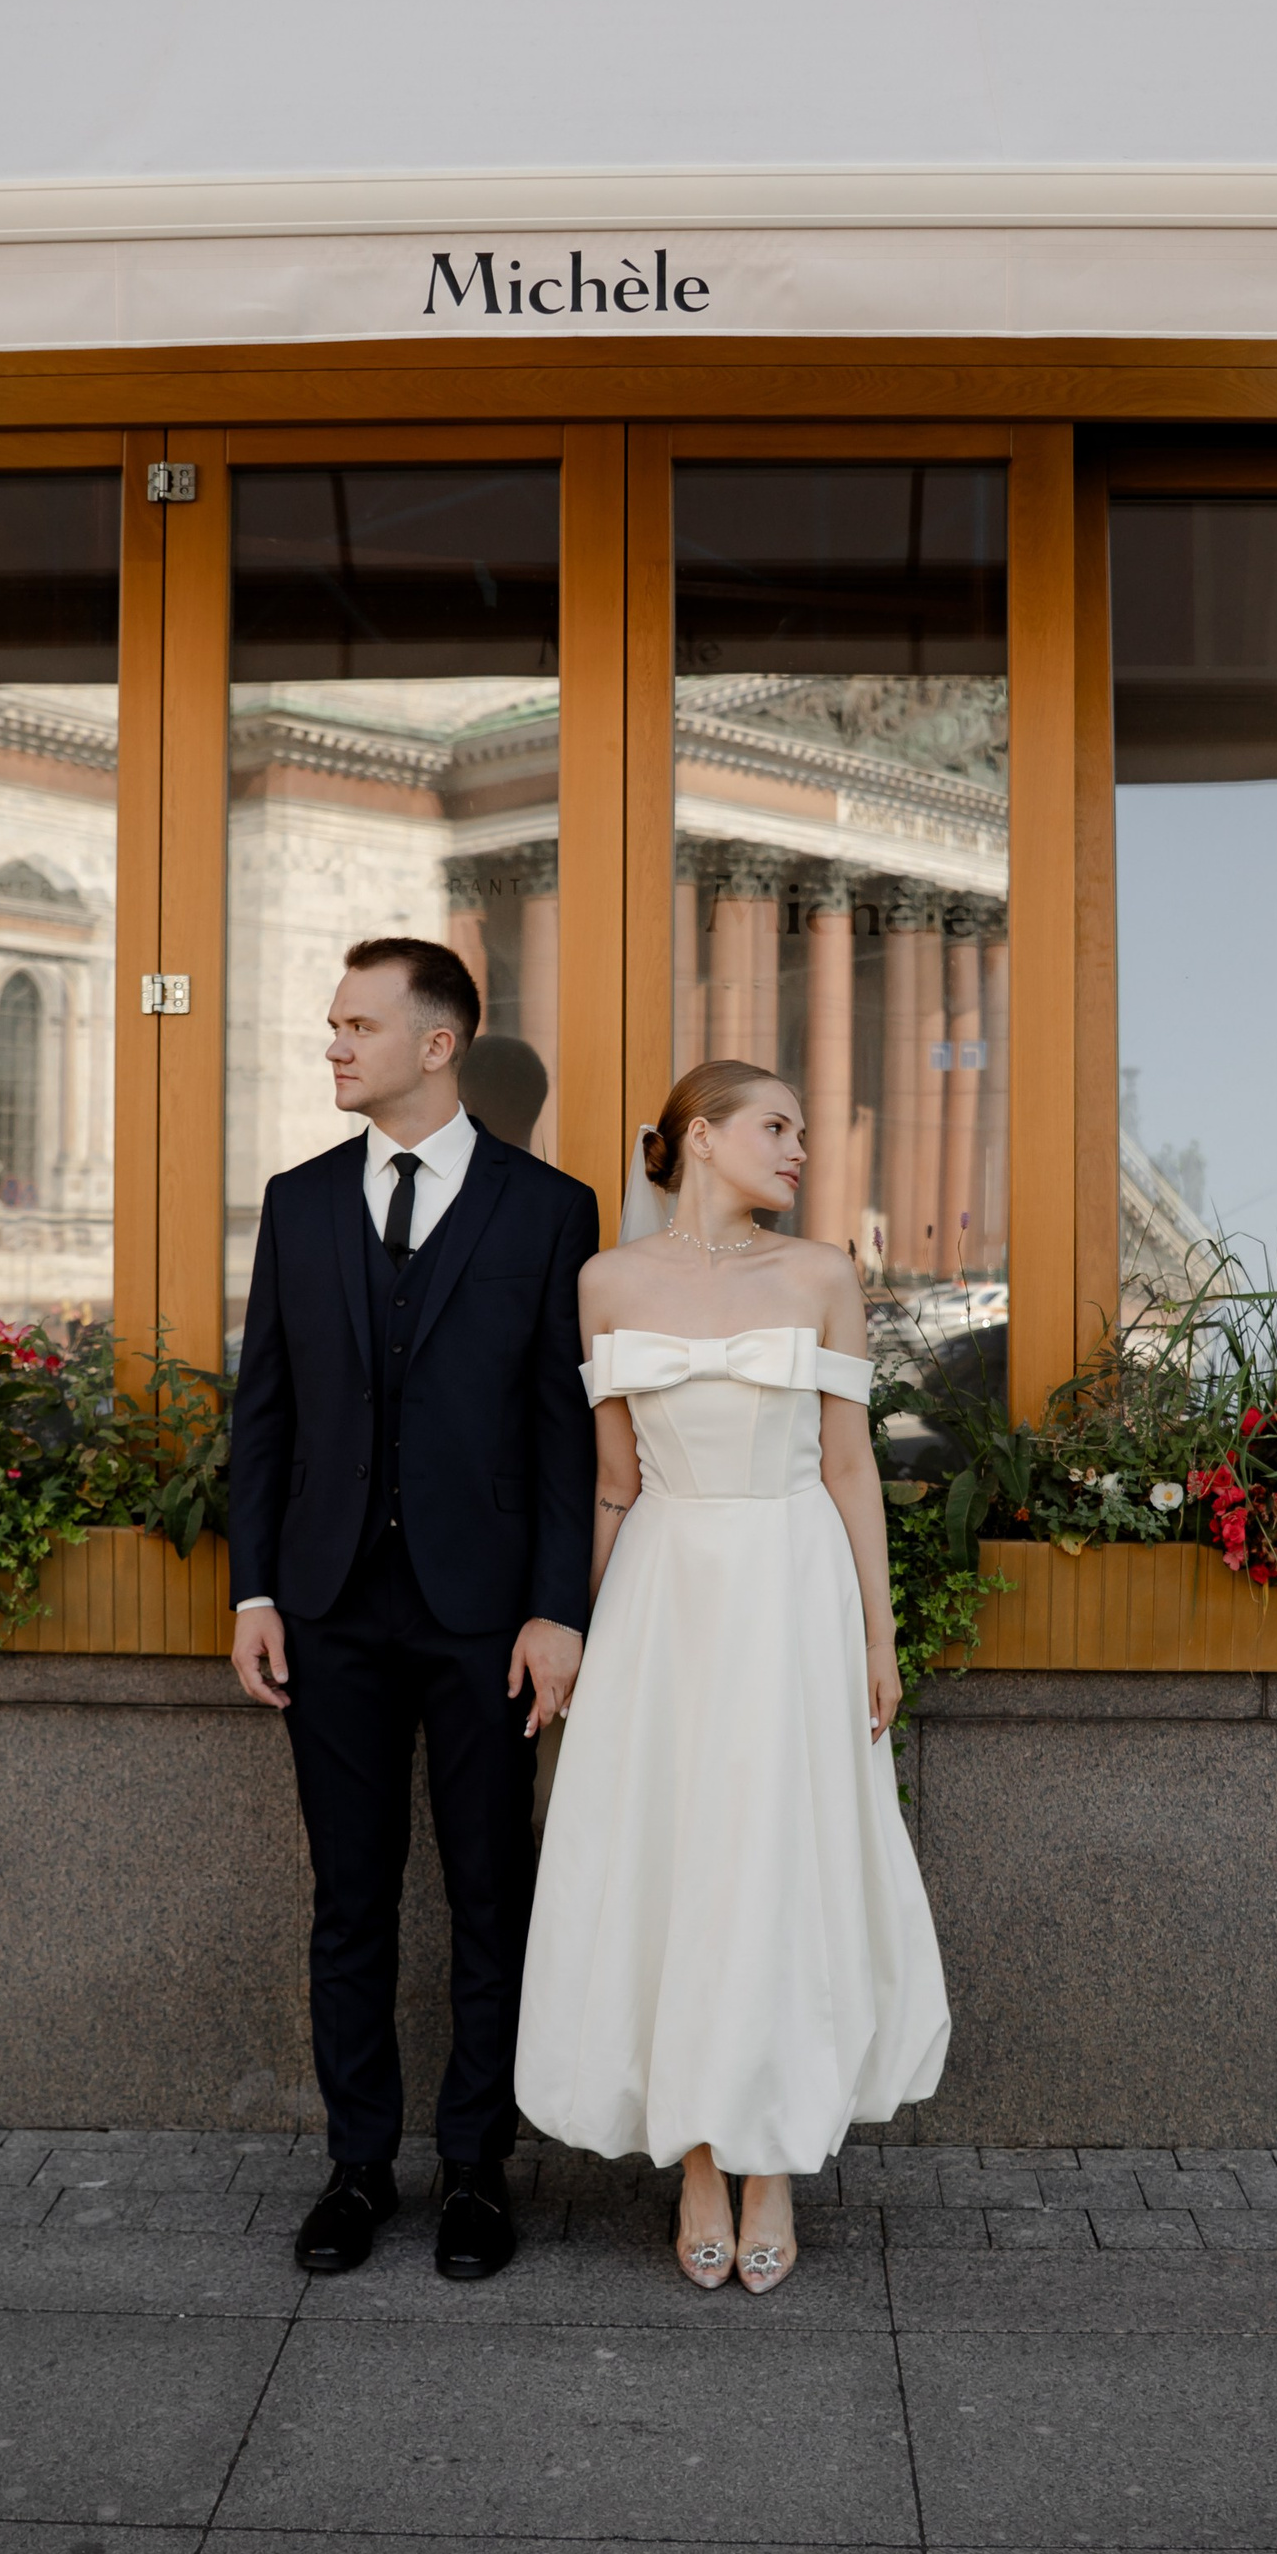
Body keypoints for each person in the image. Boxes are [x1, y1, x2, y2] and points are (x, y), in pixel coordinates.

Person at [514, 1059, 950, 2294]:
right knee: (677, 1866)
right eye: (776, 1125)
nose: (799, 1146)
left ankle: (773, 2163)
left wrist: (877, 1638)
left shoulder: (819, 1274)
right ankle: (698, 2158)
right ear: (699, 1137)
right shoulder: (606, 1280)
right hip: (662, 1593)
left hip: (791, 1588)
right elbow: (614, 1479)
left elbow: (850, 1466)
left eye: (802, 1128)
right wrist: (579, 1627)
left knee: (775, 1867)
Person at [229, 937, 598, 2282]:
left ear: (437, 1045)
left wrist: (557, 1609)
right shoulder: (298, 1201)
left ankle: (479, 2170)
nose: (333, 1044)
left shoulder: (550, 1210)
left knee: (494, 1891)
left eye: (358, 1025)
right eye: (333, 1024)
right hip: (326, 1607)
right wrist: (255, 1586)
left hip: (486, 1616)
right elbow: (264, 1412)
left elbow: (564, 1433)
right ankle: (358, 2165)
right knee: (350, 1895)